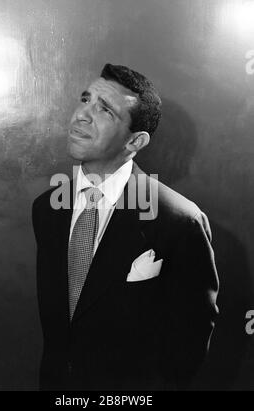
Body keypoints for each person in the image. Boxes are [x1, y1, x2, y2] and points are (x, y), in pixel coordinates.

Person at [32, 63, 219, 390]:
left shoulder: (179, 222)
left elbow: (189, 342)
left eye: (105, 110)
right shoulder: (46, 209)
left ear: (135, 142)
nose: (82, 115)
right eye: (85, 99)